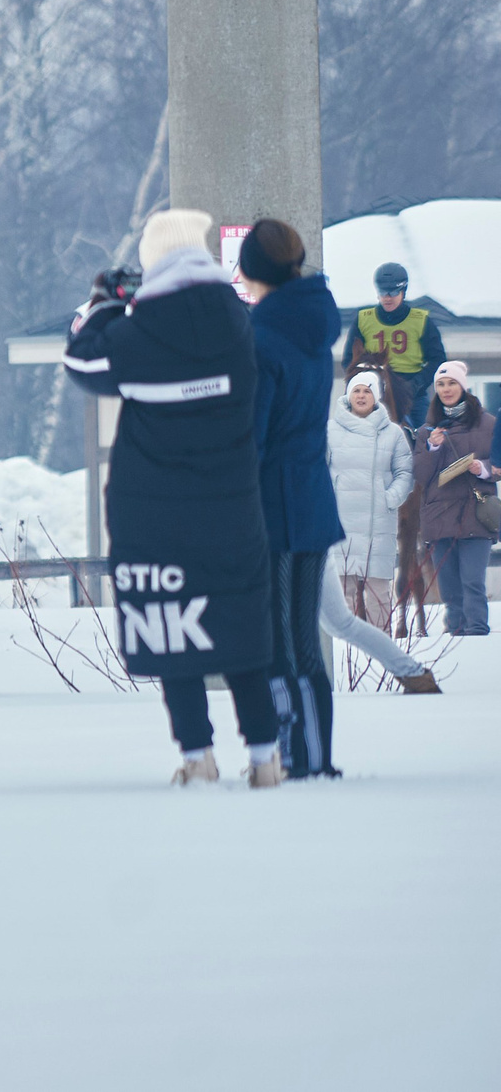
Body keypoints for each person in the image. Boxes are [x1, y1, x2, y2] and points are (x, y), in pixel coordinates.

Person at [64, 209, 282, 787]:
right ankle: (265, 758)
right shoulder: (241, 323)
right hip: (235, 508)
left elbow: (82, 361)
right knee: (241, 630)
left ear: (152, 261)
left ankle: (197, 757)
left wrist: (106, 302)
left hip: (152, 513)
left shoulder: (137, 333)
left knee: (172, 630)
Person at [238, 216, 344, 779]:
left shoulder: (260, 338)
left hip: (269, 505)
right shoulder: (316, 325)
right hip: (311, 495)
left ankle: (293, 755)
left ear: (253, 271)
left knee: (274, 639)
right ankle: (317, 755)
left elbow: (251, 435)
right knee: (306, 638)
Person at [412, 360, 495, 636]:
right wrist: (431, 448)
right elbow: (421, 477)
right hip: (439, 520)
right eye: (441, 385)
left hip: (476, 514)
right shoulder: (426, 431)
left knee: (473, 582)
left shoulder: (489, 424)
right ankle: (457, 640)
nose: (446, 389)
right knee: (448, 588)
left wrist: (482, 468)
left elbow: (497, 465)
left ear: (463, 387)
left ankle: (478, 635)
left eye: (452, 383)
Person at [327, 371, 413, 631]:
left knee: (378, 596)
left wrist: (388, 499)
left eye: (367, 390)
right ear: (348, 395)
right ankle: (348, 654)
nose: (361, 395)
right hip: (339, 523)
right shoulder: (329, 429)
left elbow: (405, 473)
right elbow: (315, 470)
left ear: (376, 397)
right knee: (345, 595)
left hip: (378, 524)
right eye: (356, 390)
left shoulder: (393, 433)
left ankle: (383, 651)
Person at [342, 261, 444, 429]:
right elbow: (349, 360)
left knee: (425, 433)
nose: (387, 297)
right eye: (383, 292)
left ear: (403, 291)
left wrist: (416, 384)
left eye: (393, 292)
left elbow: (438, 359)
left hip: (411, 391)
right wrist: (363, 382)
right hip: (374, 389)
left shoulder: (421, 320)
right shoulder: (363, 319)